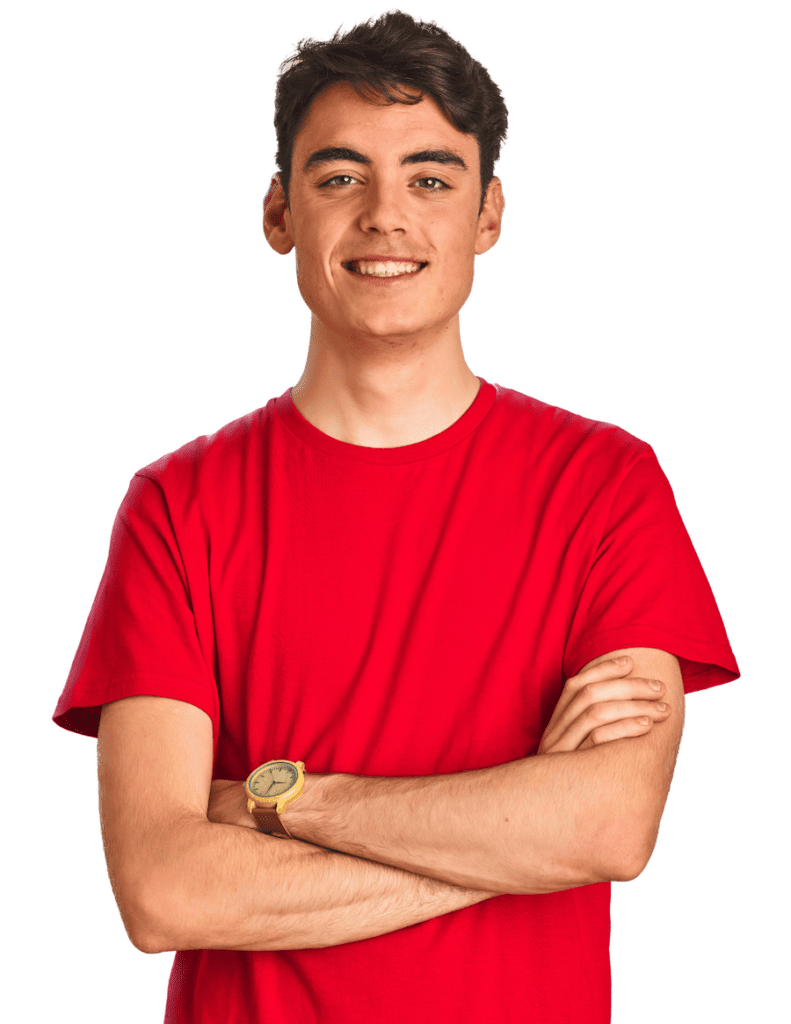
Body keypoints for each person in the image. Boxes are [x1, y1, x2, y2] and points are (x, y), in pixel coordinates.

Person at [49, 8, 741, 1023]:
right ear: (279, 215)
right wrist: (512, 840)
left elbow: (607, 828)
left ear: (488, 215)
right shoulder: (175, 504)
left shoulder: (605, 482)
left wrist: (278, 801)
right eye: (338, 177)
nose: (385, 215)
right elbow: (164, 890)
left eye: (430, 177)